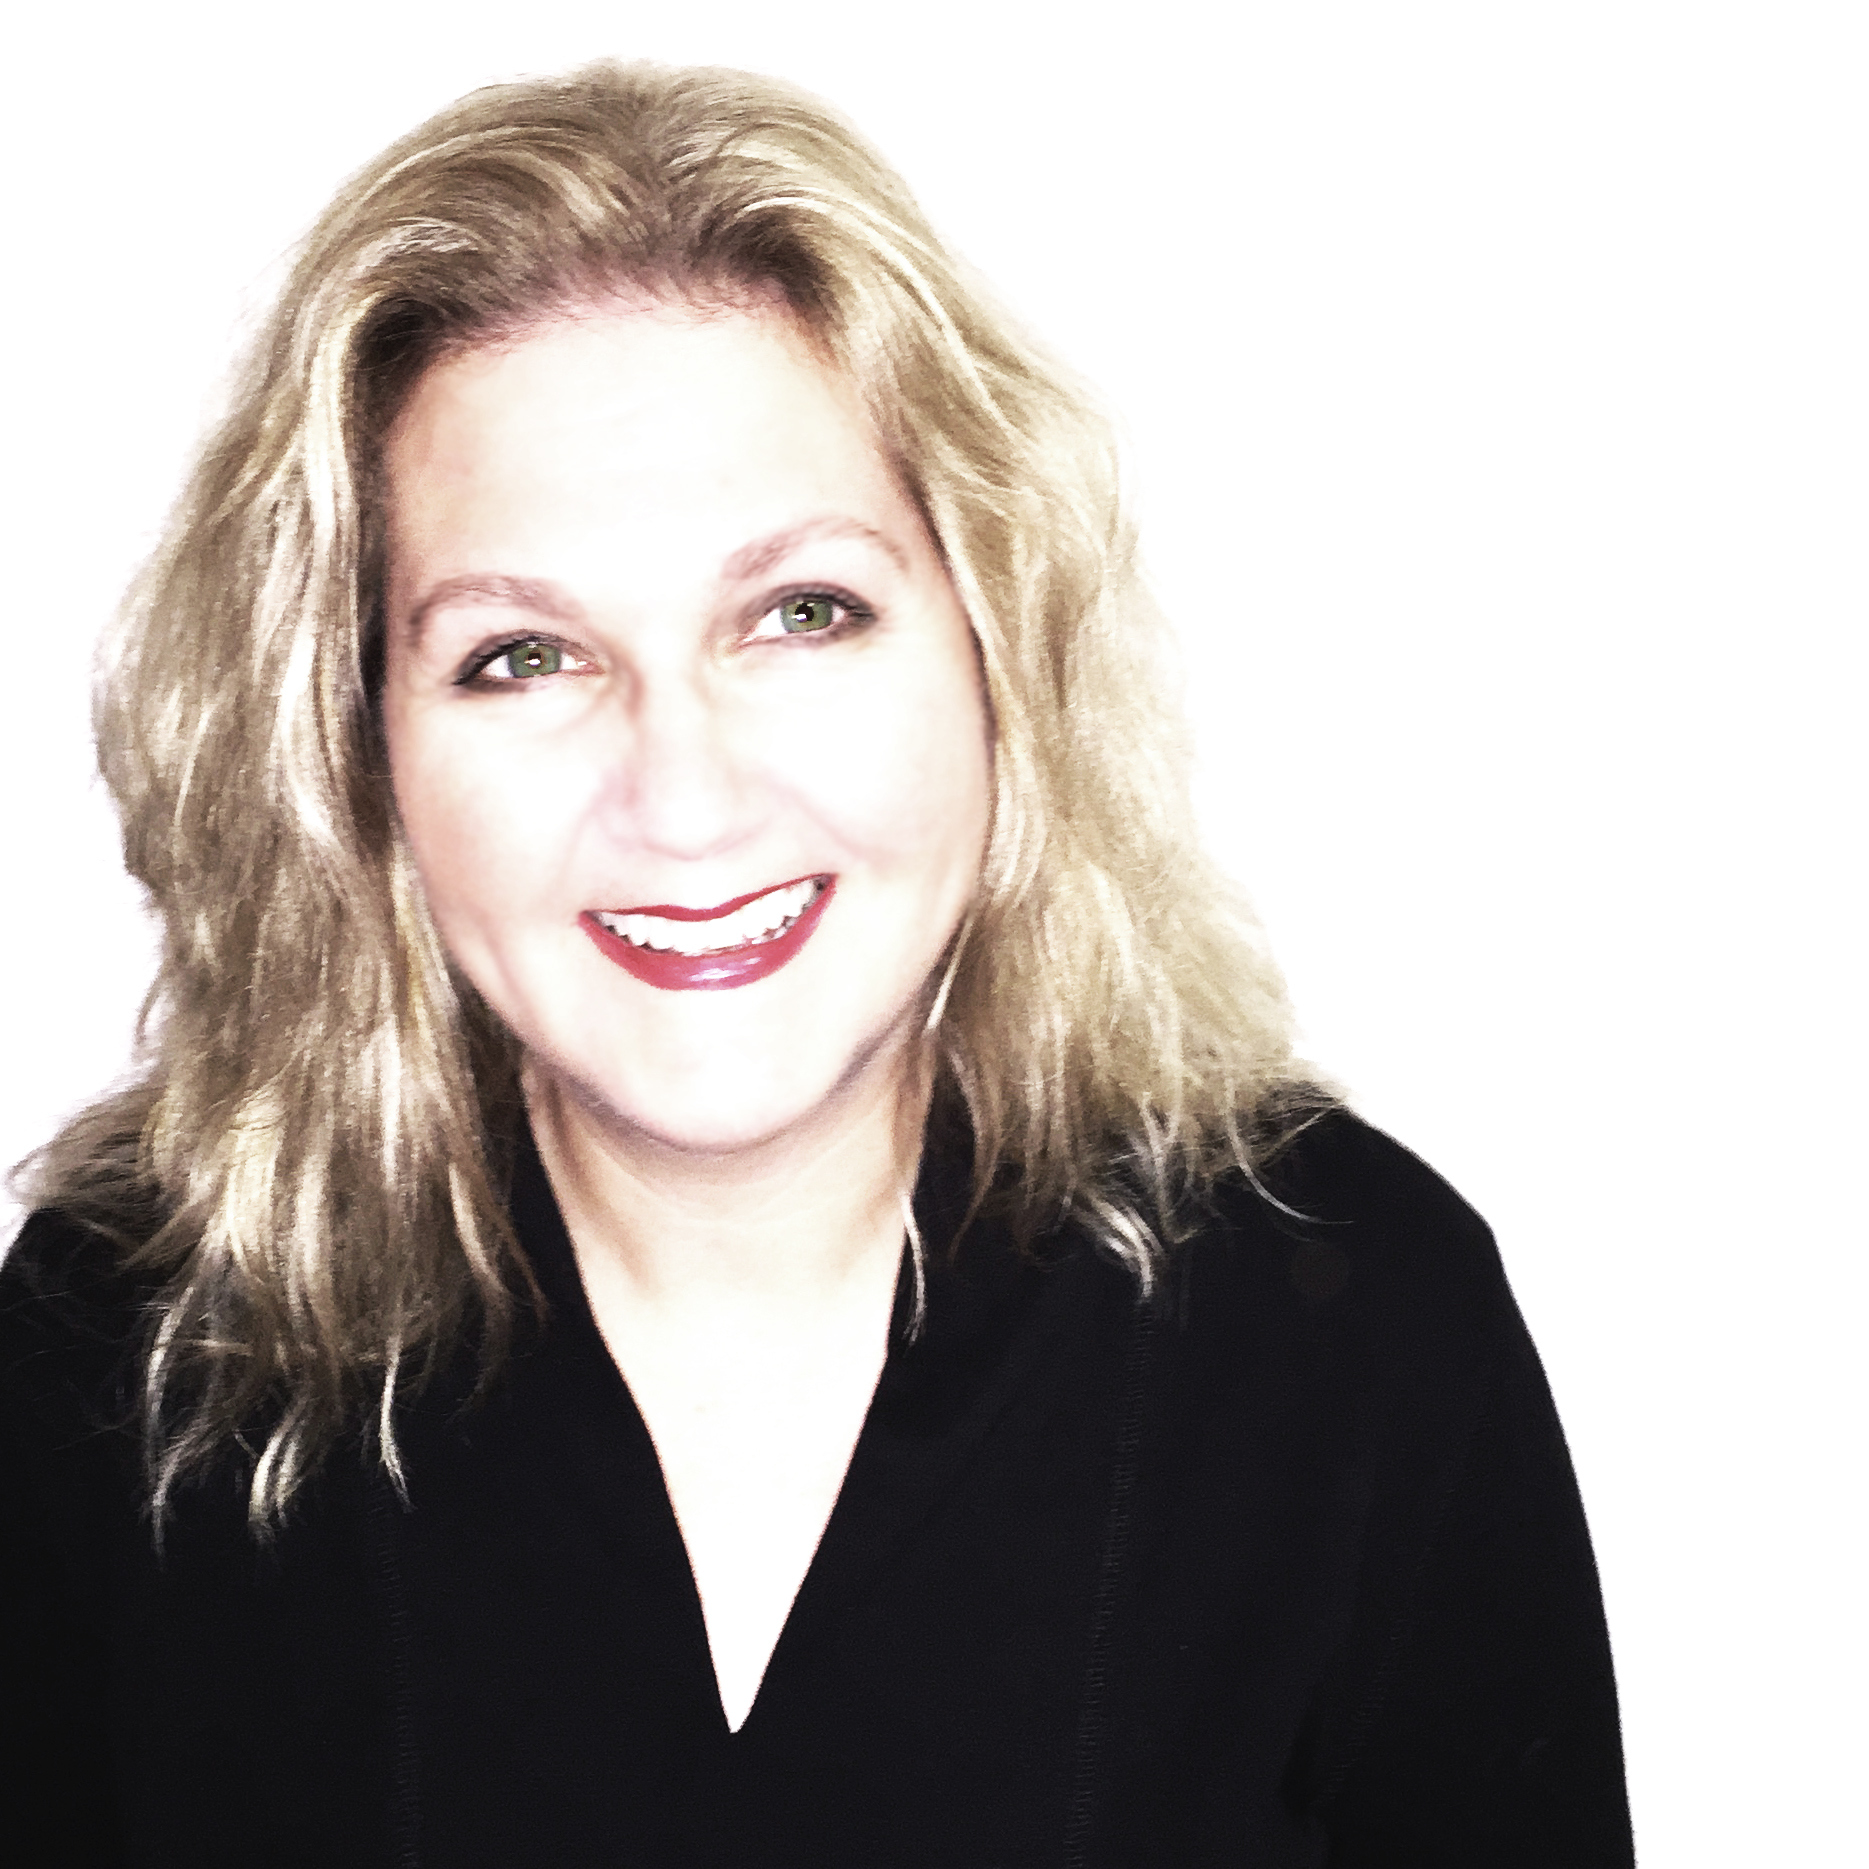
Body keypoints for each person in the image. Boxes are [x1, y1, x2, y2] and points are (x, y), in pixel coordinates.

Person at [0, 60, 1633, 1867]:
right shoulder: (117, 1355)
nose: (683, 797)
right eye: (521, 655)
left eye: (800, 613)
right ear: (358, 748)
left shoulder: (1350, 1328)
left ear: (995, 654)